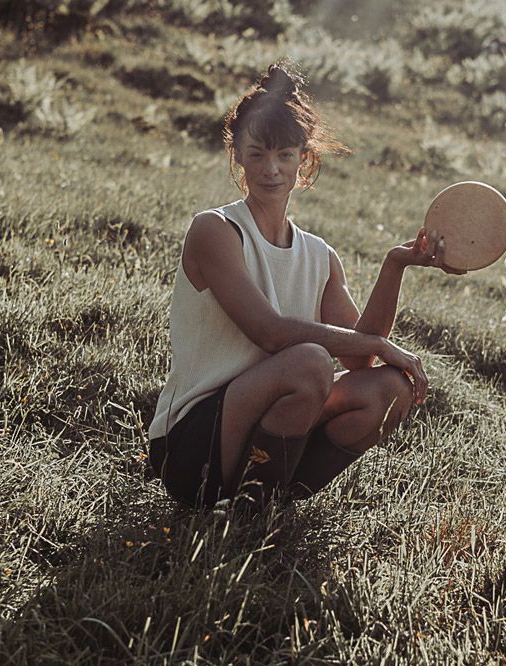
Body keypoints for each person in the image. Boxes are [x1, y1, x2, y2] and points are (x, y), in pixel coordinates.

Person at [147, 61, 464, 512]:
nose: (271, 169)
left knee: (388, 389)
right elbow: (271, 333)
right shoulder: (215, 230)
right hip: (193, 447)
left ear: (304, 159)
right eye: (256, 154)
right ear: (237, 156)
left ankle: (266, 505)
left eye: (284, 155)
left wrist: (395, 265)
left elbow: (359, 357)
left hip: (266, 421)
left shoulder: (319, 256)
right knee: (310, 362)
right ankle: (251, 510)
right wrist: (374, 341)